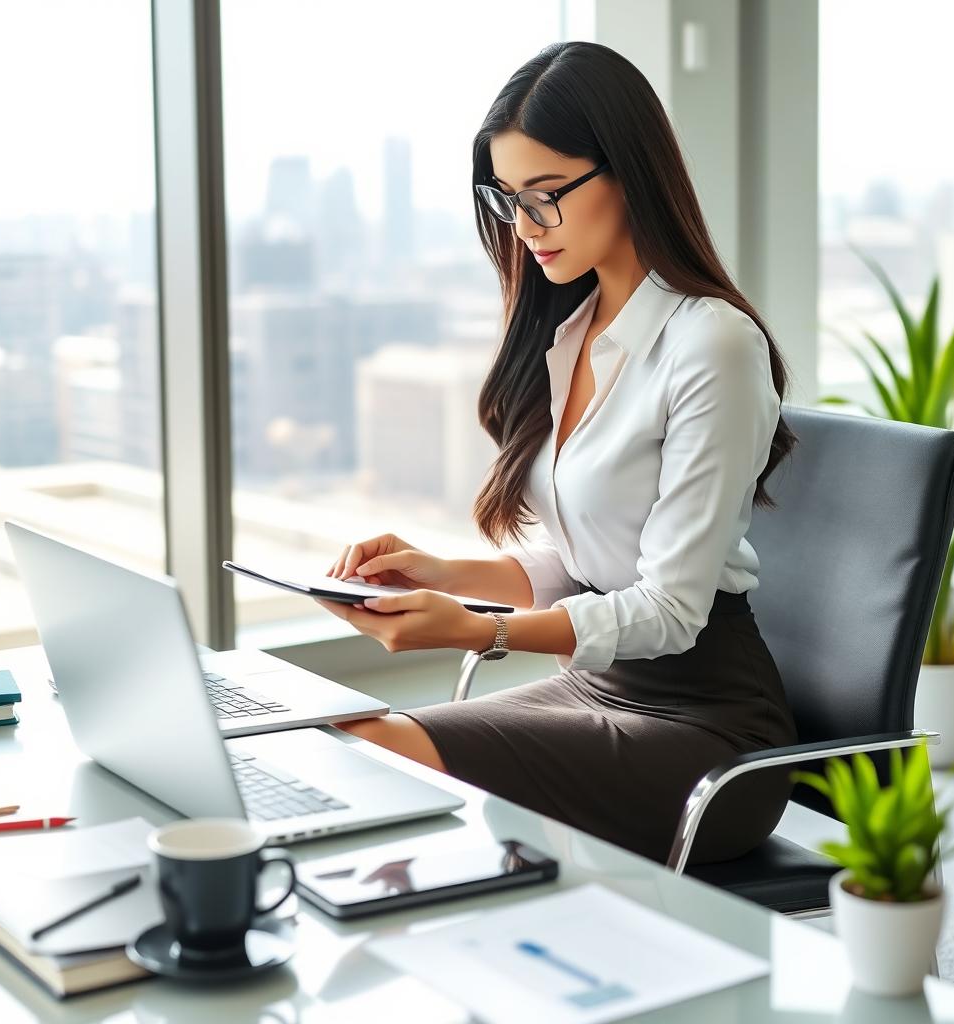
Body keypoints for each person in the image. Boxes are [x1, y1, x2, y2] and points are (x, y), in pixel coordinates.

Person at [312, 40, 799, 866]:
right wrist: (439, 573)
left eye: (547, 196)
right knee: (350, 739)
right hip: (598, 686)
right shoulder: (572, 332)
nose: (527, 227)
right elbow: (590, 563)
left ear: (629, 172)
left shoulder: (711, 343)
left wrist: (479, 634)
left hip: (709, 732)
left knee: (383, 760)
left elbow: (672, 610)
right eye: (509, 201)